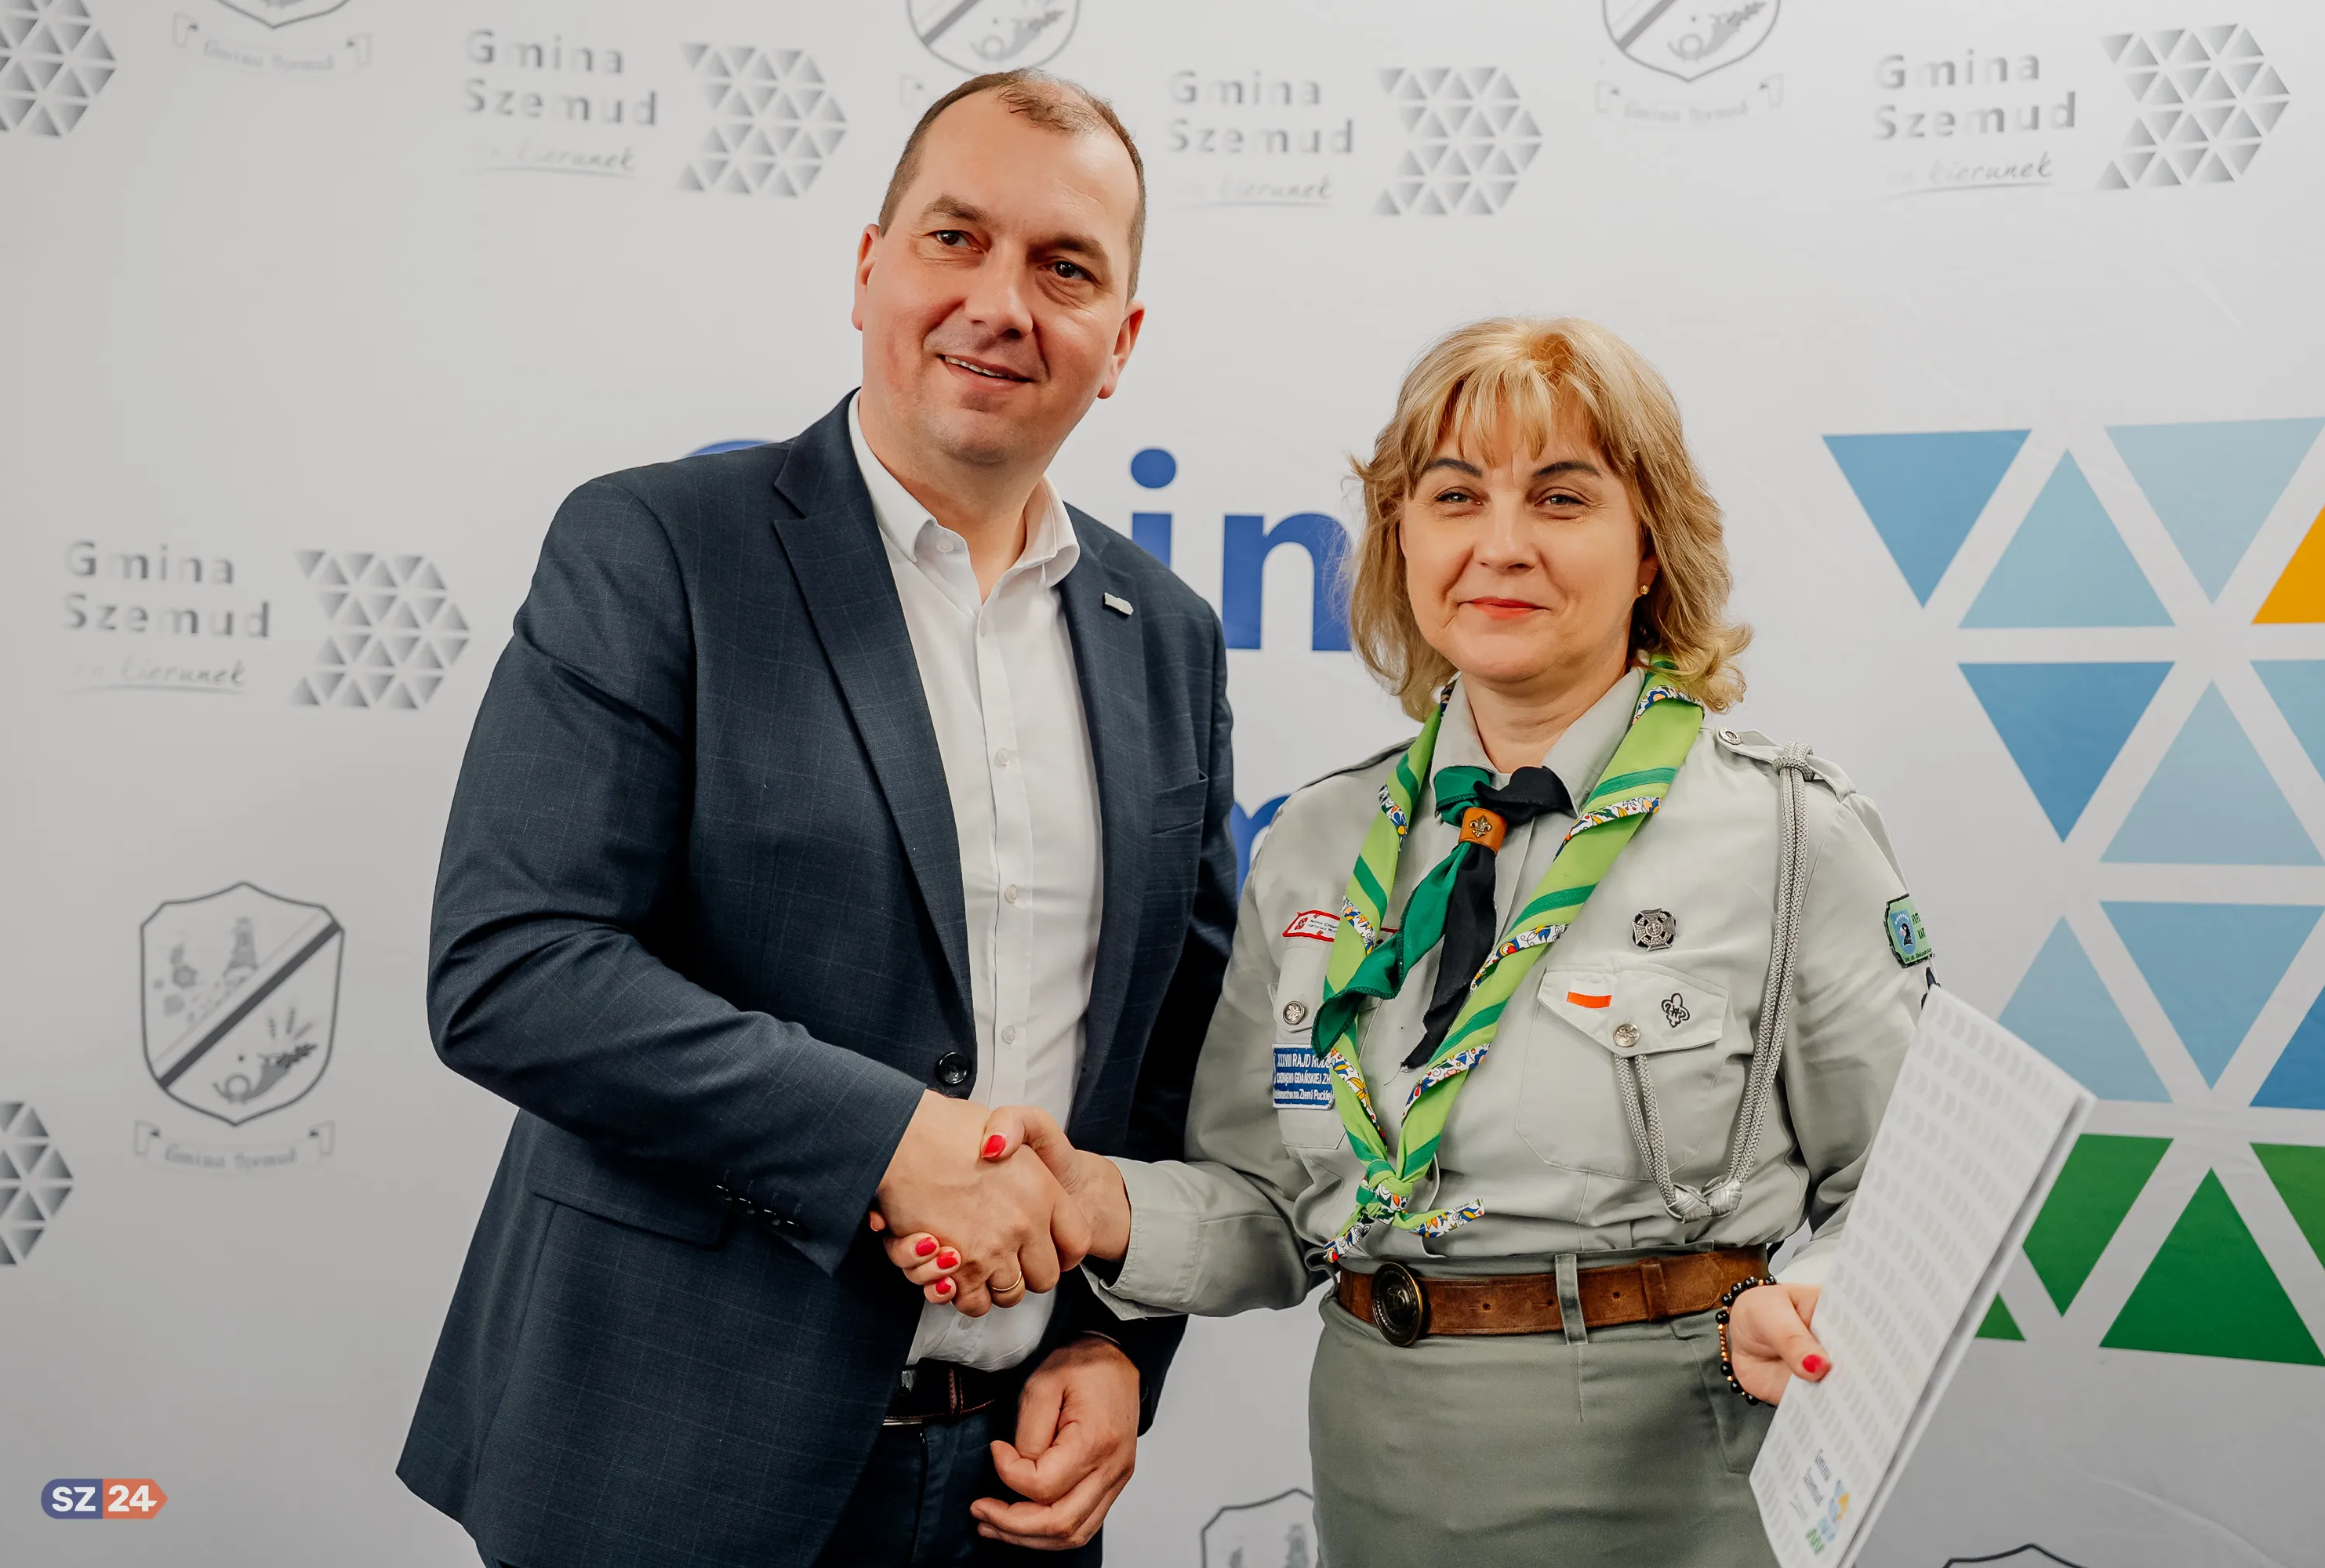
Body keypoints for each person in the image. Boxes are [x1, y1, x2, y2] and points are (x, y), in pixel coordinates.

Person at [884, 318, 1931, 1564]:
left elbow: (1908, 1197)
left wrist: (1821, 1300)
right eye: (1454, 496)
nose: (1501, 544)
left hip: (1676, 1461)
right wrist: (1093, 1200)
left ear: (1651, 545)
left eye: (1561, 497)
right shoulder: (1320, 841)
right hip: (1380, 1462)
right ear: (1402, 537)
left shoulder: (1792, 834)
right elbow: (1271, 1206)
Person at [397, 71, 1237, 1568]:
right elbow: (512, 967)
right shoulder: (660, 548)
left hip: (1010, 1494)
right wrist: (888, 1140)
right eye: (956, 239)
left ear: (1121, 341)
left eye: (1065, 268)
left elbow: (1176, 1054)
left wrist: (1114, 1340)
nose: (1000, 303)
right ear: (867, 269)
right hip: (664, 1464)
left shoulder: (1165, 637)